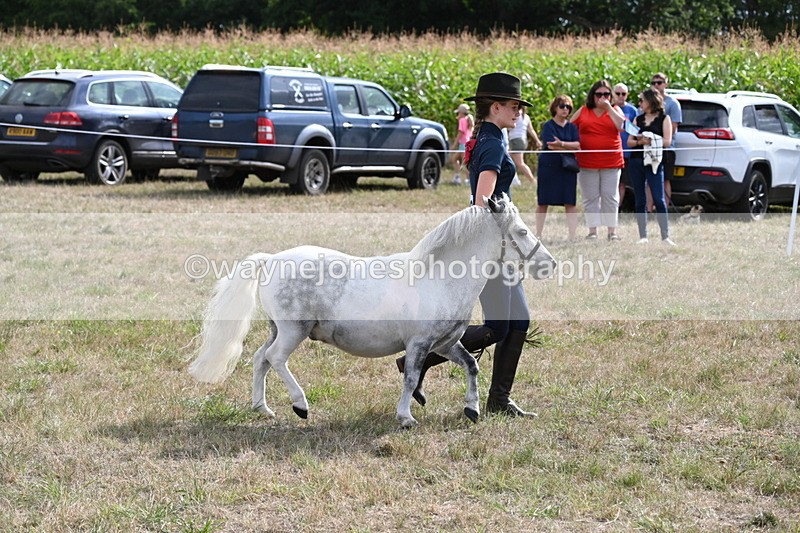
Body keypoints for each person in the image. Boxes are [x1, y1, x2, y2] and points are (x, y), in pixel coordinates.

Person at [395, 72, 536, 417]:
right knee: (499, 326)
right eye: (514, 105)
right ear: (496, 106)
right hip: (489, 247)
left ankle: (499, 399)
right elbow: (481, 203)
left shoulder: (491, 138)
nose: (518, 112)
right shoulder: (490, 144)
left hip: (496, 246)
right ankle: (419, 357)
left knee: (517, 322)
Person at [571, 80, 626, 240]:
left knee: (610, 196)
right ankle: (592, 231)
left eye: (606, 94)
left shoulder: (615, 110)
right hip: (587, 162)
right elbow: (569, 127)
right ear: (593, 95)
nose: (603, 97)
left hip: (611, 161)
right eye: (599, 94)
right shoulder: (583, 111)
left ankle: (612, 232)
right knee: (590, 197)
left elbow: (622, 127)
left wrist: (609, 108)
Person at [627, 89, 676, 246]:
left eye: (642, 100)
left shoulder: (664, 119)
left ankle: (665, 236)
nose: (639, 103)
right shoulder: (637, 119)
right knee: (640, 198)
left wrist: (652, 140)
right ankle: (643, 236)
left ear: (650, 101)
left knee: (659, 199)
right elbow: (629, 141)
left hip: (654, 162)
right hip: (636, 161)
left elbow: (667, 141)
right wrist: (639, 142)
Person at [536, 95, 580, 240]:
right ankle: (538, 234)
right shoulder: (548, 126)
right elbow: (550, 145)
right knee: (543, 201)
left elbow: (578, 146)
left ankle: (572, 236)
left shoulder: (572, 127)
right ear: (555, 108)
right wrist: (567, 145)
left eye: (568, 107)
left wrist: (561, 143)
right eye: (562, 106)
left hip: (567, 168)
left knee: (570, 202)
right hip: (549, 167)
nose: (565, 109)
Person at [648, 72, 682, 211]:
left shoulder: (672, 103)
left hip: (666, 148)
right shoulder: (647, 102)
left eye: (659, 82)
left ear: (666, 84)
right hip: (649, 148)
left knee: (665, 179)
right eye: (654, 82)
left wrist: (657, 138)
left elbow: (673, 128)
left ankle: (664, 209)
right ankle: (648, 209)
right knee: (649, 180)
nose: (656, 85)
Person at [613, 83, 639, 207]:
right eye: (618, 93)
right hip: (611, 151)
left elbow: (636, 130)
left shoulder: (632, 110)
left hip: (627, 152)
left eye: (623, 94)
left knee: (622, 182)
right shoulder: (608, 109)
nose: (620, 96)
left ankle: (617, 208)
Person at [508, 105, 542, 185]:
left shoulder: (516, 115)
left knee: (520, 163)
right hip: (522, 139)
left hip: (516, 140)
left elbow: (510, 127)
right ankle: (514, 180)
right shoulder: (526, 117)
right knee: (510, 160)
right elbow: (531, 130)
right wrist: (537, 140)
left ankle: (532, 181)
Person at [451, 103, 475, 185]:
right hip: (467, 143)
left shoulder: (462, 120)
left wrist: (454, 144)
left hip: (463, 144)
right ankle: (459, 176)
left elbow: (461, 133)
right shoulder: (468, 119)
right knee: (460, 161)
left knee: (461, 162)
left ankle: (466, 179)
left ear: (461, 112)